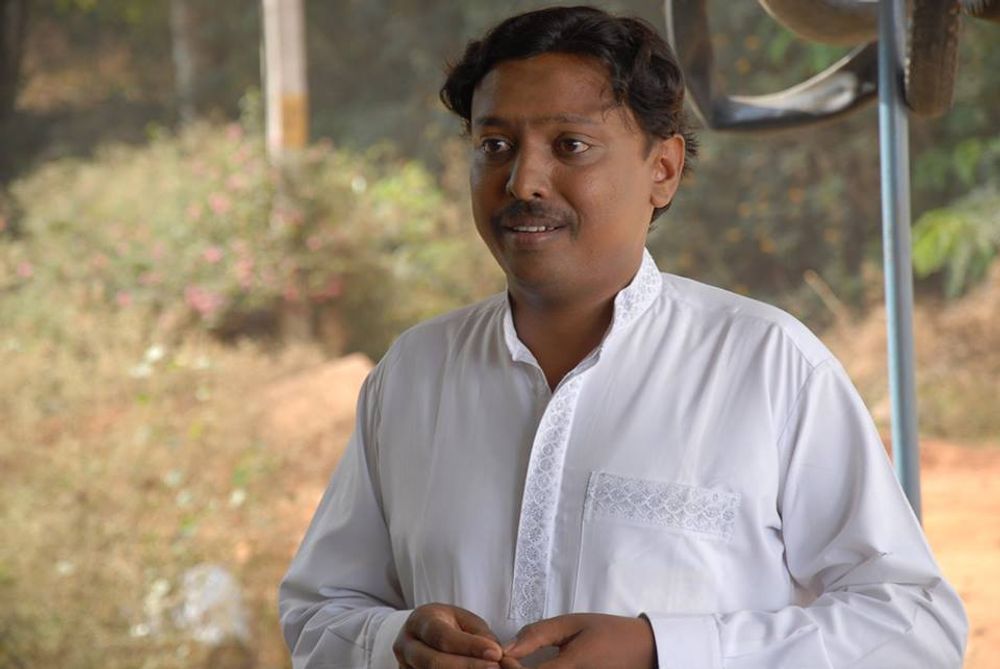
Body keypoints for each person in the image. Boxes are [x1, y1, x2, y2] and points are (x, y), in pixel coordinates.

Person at [278, 6, 967, 668]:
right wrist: (393, 642)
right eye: (495, 146)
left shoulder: (768, 366)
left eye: (570, 145)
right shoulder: (415, 372)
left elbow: (914, 626)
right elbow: (319, 610)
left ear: (662, 170)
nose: (523, 180)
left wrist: (664, 650)